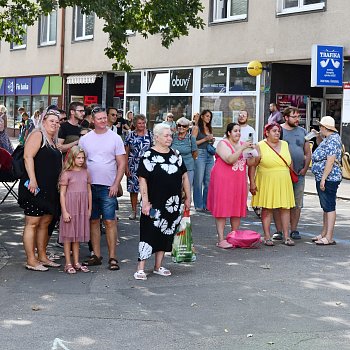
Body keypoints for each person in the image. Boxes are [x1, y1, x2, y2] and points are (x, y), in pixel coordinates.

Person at [134, 123, 190, 280]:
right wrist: (145, 201)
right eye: (166, 135)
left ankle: (158, 266)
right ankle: (141, 267)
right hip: (154, 202)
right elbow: (142, 179)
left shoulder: (176, 154)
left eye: (170, 135)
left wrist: (188, 197)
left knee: (167, 232)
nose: (169, 138)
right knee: (148, 232)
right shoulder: (148, 156)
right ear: (156, 137)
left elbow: (184, 176)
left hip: (172, 203)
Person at [79, 106, 126, 270]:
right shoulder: (85, 139)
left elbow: (121, 163)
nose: (103, 120)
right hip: (90, 187)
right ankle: (96, 255)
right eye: (99, 118)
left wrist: (116, 183)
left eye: (104, 118)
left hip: (108, 186)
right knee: (93, 221)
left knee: (109, 221)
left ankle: (113, 257)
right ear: (92, 120)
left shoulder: (115, 138)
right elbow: (80, 162)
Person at [18, 108, 62, 271]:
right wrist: (33, 180)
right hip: (34, 187)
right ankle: (31, 259)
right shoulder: (38, 135)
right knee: (33, 222)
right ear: (43, 121)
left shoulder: (52, 141)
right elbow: (27, 157)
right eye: (51, 121)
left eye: (57, 122)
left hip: (50, 189)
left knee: (45, 222)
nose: (55, 124)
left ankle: (42, 256)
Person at [207, 123, 255, 248]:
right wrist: (242, 148)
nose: (238, 133)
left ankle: (234, 236)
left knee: (236, 208)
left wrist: (253, 152)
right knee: (222, 208)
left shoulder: (242, 144)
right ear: (229, 133)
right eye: (235, 131)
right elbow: (230, 159)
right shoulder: (223, 143)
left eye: (239, 131)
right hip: (223, 179)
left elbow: (251, 163)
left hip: (238, 179)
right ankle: (221, 238)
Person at [250, 123, 295, 247]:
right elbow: (253, 165)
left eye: (278, 131)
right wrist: (252, 182)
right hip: (267, 180)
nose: (277, 133)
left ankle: (286, 236)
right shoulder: (260, 145)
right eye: (274, 131)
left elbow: (289, 162)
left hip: (283, 180)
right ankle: (267, 236)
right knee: (267, 208)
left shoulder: (285, 144)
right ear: (267, 132)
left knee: (285, 208)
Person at [272, 107, 311, 241]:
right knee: (278, 202)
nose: (297, 119)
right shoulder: (278, 130)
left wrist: (305, 168)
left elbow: (307, 152)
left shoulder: (302, 132)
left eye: (298, 116)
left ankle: (294, 229)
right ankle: (279, 231)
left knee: (297, 203)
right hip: (281, 173)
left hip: (299, 173)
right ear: (286, 117)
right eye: (294, 117)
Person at [59, 146, 92, 274]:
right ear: (72, 158)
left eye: (83, 158)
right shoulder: (66, 173)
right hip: (70, 207)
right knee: (68, 236)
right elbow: (62, 194)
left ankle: (77, 262)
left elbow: (89, 191)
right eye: (78, 157)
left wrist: (89, 208)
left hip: (82, 207)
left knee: (77, 236)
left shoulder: (86, 172)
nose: (81, 160)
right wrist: (65, 211)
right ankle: (68, 263)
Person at [311, 116, 342, 245]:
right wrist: (318, 135)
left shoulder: (333, 140)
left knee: (329, 206)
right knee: (326, 206)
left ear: (325, 127)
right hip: (324, 176)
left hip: (329, 177)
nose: (319, 129)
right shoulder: (328, 138)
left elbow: (330, 160)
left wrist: (323, 178)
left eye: (321, 127)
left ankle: (328, 236)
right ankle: (324, 233)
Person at [124, 114, 153, 220]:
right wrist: (126, 166)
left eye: (143, 123)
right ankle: (133, 211)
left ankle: (144, 208)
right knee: (133, 189)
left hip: (147, 165)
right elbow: (126, 152)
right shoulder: (130, 135)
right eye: (139, 123)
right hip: (133, 164)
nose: (141, 125)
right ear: (135, 124)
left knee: (147, 188)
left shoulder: (150, 134)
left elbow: (154, 149)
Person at [192, 109, 215, 211]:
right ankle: (198, 204)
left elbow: (208, 142)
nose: (208, 118)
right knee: (198, 180)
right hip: (200, 154)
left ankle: (207, 204)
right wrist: (205, 139)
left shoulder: (209, 128)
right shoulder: (196, 128)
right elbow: (192, 143)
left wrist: (211, 141)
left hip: (209, 154)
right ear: (202, 117)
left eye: (210, 117)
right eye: (206, 116)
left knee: (209, 180)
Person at [171, 117, 198, 191]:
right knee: (174, 189)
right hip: (174, 167)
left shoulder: (191, 138)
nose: (181, 127)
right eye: (179, 125)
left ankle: (187, 202)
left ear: (187, 127)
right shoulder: (173, 136)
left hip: (188, 167)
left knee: (187, 189)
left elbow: (195, 153)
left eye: (184, 126)